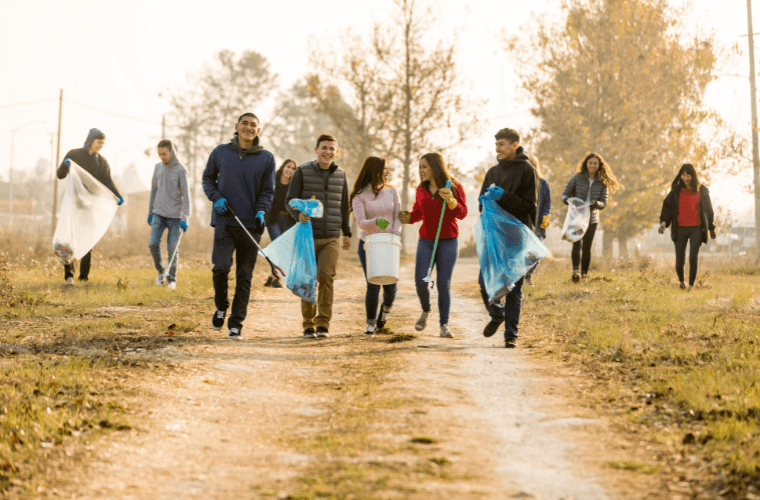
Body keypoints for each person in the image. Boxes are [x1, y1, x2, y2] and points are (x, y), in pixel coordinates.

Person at [202, 113, 275, 340]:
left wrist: (261, 210)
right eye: (244, 123)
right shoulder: (221, 152)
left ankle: (236, 324)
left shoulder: (266, 158)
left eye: (253, 125)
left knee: (245, 276)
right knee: (221, 268)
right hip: (225, 220)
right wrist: (216, 197)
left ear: (258, 130)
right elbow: (207, 179)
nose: (248, 127)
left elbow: (267, 191)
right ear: (236, 127)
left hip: (251, 225)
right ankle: (221, 306)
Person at [286, 134, 352, 339]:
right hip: (307, 235)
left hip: (331, 236)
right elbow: (290, 200)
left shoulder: (341, 175)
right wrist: (298, 215)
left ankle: (323, 324)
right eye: (324, 148)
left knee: (326, 277)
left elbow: (343, 206)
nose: (328, 152)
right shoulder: (302, 172)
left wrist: (346, 233)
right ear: (316, 150)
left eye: (332, 149)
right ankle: (308, 325)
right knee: (307, 280)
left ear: (336, 151)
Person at [477, 128, 537, 348]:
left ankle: (511, 335)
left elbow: (530, 206)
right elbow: (480, 204)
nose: (498, 149)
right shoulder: (492, 172)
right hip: (494, 236)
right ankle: (497, 314)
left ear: (515, 144)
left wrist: (504, 197)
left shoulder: (528, 171)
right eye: (496, 145)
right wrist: (485, 201)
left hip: (517, 236)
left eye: (502, 144)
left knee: (514, 287)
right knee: (484, 283)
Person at [399, 153, 467, 339]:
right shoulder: (421, 189)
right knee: (421, 280)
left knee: (443, 285)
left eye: (424, 167)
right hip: (426, 240)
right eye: (419, 167)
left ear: (435, 167)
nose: (421, 171)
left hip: (448, 241)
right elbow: (418, 213)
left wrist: (451, 201)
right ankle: (426, 310)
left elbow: (462, 213)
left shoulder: (454, 186)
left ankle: (444, 325)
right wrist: (408, 218)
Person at [57, 128, 123, 286]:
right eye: (99, 142)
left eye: (103, 143)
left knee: (87, 238)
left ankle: (84, 277)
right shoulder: (74, 155)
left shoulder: (101, 162)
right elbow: (60, 175)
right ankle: (69, 276)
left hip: (90, 205)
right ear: (91, 140)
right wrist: (66, 166)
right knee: (69, 238)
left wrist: (117, 195)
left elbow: (107, 181)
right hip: (73, 203)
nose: (101, 145)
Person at [350, 156, 401, 338]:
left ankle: (384, 314)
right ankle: (370, 324)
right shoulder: (359, 196)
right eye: (385, 168)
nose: (388, 171)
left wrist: (394, 233)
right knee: (373, 284)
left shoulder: (392, 192)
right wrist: (376, 222)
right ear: (375, 171)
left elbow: (397, 216)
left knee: (391, 287)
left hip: (390, 243)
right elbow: (362, 223)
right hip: (369, 244)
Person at [561, 152, 622, 282]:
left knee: (587, 246)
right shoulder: (576, 178)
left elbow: (604, 202)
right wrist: (569, 201)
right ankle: (575, 272)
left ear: (599, 165)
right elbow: (565, 195)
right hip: (576, 217)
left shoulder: (602, 182)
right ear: (586, 164)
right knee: (576, 243)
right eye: (590, 163)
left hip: (592, 218)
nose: (592, 165)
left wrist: (596, 204)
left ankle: (584, 274)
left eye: (595, 163)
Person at [658, 163, 716, 290]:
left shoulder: (702, 190)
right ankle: (682, 282)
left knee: (693, 257)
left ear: (693, 176)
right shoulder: (676, 191)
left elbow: (709, 210)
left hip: (697, 228)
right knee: (679, 261)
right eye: (683, 175)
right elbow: (667, 207)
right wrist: (663, 223)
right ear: (680, 176)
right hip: (680, 228)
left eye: (688, 175)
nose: (685, 178)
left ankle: (691, 285)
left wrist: (711, 227)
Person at [148, 140, 190, 290]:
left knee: (172, 249)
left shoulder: (181, 170)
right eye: (159, 154)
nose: (161, 157)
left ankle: (171, 279)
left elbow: (186, 195)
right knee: (153, 244)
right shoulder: (158, 168)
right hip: (158, 213)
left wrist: (185, 217)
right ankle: (161, 272)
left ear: (172, 152)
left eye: (164, 154)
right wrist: (150, 212)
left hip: (175, 217)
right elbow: (153, 191)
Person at [263, 159, 297, 288]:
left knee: (285, 249)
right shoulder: (273, 182)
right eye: (288, 166)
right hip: (274, 220)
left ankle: (272, 276)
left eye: (293, 168)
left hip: (288, 221)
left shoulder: (294, 186)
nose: (290, 170)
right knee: (278, 247)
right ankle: (277, 278)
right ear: (283, 167)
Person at [524, 153, 551, 287]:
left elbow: (546, 203)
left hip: (538, 224)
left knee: (537, 252)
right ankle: (519, 278)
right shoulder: (520, 183)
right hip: (524, 223)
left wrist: (546, 215)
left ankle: (527, 273)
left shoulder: (543, 183)